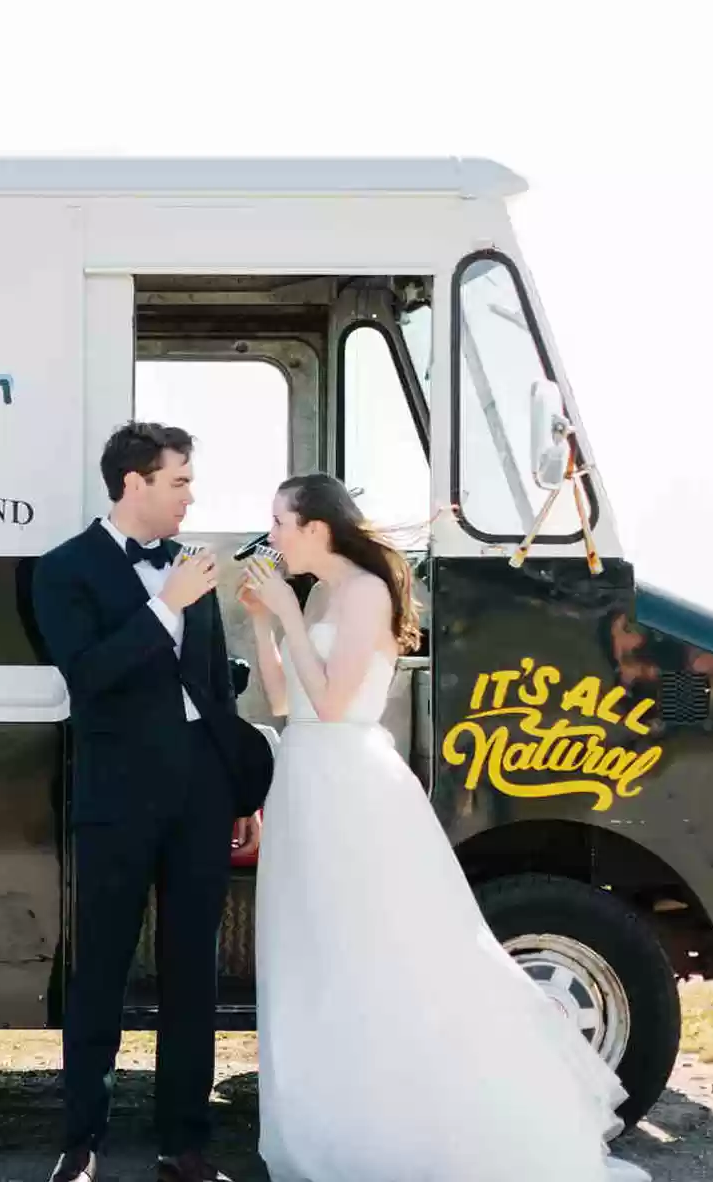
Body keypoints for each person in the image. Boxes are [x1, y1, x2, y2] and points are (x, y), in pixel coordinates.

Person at [237, 472, 652, 1182]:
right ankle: (338, 1115)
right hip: (307, 779)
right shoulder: (321, 594)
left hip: (347, 783)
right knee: (319, 952)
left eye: (279, 522)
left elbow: (336, 706)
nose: (271, 537)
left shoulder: (365, 592)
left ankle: (418, 1121)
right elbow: (284, 701)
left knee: (380, 949)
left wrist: (290, 616)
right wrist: (264, 621)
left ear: (315, 527)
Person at [33, 421, 259, 1182]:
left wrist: (239, 790)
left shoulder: (190, 567)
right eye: (179, 482)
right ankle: (82, 1144)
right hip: (117, 796)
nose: (191, 497)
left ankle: (183, 1146)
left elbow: (212, 693)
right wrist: (164, 607)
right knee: (100, 970)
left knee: (192, 974)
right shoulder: (63, 570)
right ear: (134, 483)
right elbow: (87, 676)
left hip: (200, 792)